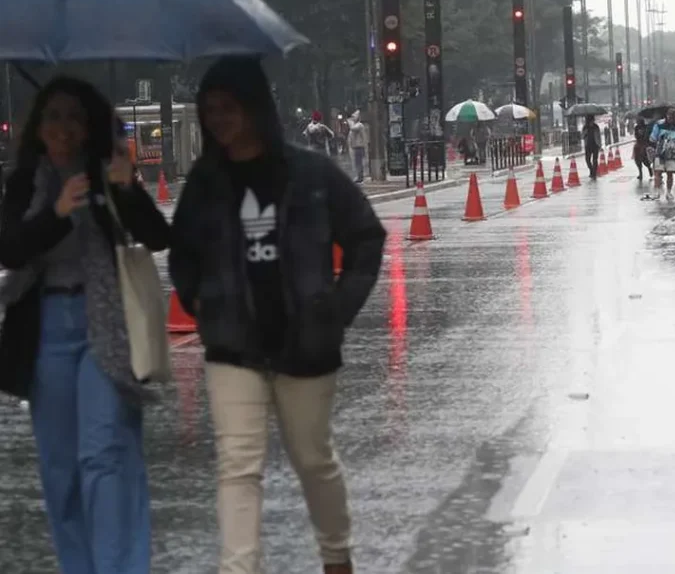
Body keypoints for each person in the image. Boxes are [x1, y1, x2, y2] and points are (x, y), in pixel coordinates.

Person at [169, 57, 387, 574]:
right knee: (239, 466)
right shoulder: (206, 182)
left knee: (312, 460)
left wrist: (336, 309)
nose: (219, 119)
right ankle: (238, 567)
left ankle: (336, 556)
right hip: (232, 347)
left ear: (255, 107)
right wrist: (199, 298)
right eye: (211, 110)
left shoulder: (311, 172)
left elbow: (366, 237)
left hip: (306, 343)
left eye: (229, 107)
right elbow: (182, 252)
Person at [0, 77, 170, 574]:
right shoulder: (25, 179)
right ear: (39, 126)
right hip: (46, 327)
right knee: (61, 470)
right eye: (53, 116)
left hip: (106, 325)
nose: (63, 127)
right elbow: (9, 248)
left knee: (104, 455)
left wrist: (125, 187)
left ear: (89, 124)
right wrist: (55, 213)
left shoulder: (106, 172)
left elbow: (158, 236)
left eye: (74, 116)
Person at [650, 110, 675, 200]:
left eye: (673, 117)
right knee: (658, 172)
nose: (671, 118)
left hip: (672, 154)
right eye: (669, 116)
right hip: (660, 152)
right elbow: (653, 137)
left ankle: (669, 192)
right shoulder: (659, 125)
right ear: (666, 115)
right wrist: (658, 139)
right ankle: (657, 192)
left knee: (670, 173)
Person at [346, 110, 368, 183]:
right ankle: (359, 176)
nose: (352, 118)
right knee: (357, 163)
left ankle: (360, 177)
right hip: (355, 147)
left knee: (359, 163)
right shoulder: (356, 125)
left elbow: (353, 128)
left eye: (353, 117)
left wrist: (349, 122)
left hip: (359, 147)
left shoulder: (359, 125)